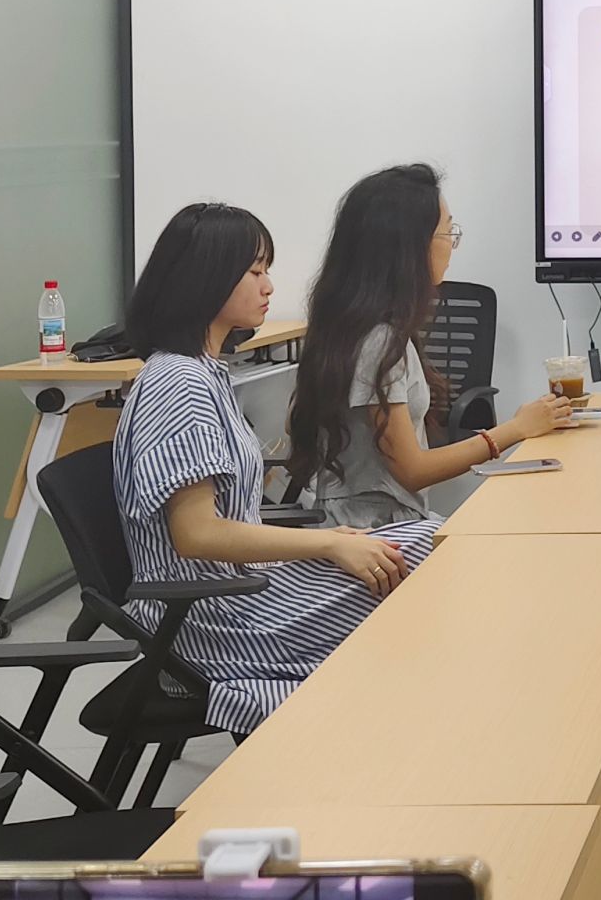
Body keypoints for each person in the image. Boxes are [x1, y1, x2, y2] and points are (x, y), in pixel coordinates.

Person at [112, 202, 441, 736]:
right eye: (255, 271)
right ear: (206, 278)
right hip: (215, 621)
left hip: (240, 592)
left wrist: (330, 541)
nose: (268, 286)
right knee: (429, 557)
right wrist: (327, 543)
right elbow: (196, 534)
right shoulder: (178, 384)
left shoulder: (202, 372)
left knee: (430, 542)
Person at [287, 163, 573, 527]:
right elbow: (412, 471)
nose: (452, 244)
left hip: (375, 522)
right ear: (410, 246)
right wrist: (515, 429)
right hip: (372, 532)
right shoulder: (379, 340)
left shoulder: (354, 325)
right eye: (447, 231)